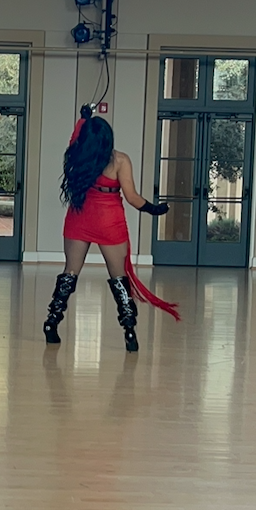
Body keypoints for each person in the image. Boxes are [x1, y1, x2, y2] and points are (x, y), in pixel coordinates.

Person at [44, 105, 180, 353]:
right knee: (120, 279)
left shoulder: (77, 154)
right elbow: (132, 197)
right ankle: (129, 331)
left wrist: (83, 119)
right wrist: (154, 209)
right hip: (109, 220)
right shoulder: (119, 160)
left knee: (69, 274)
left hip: (80, 216)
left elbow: (75, 138)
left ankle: (51, 322)